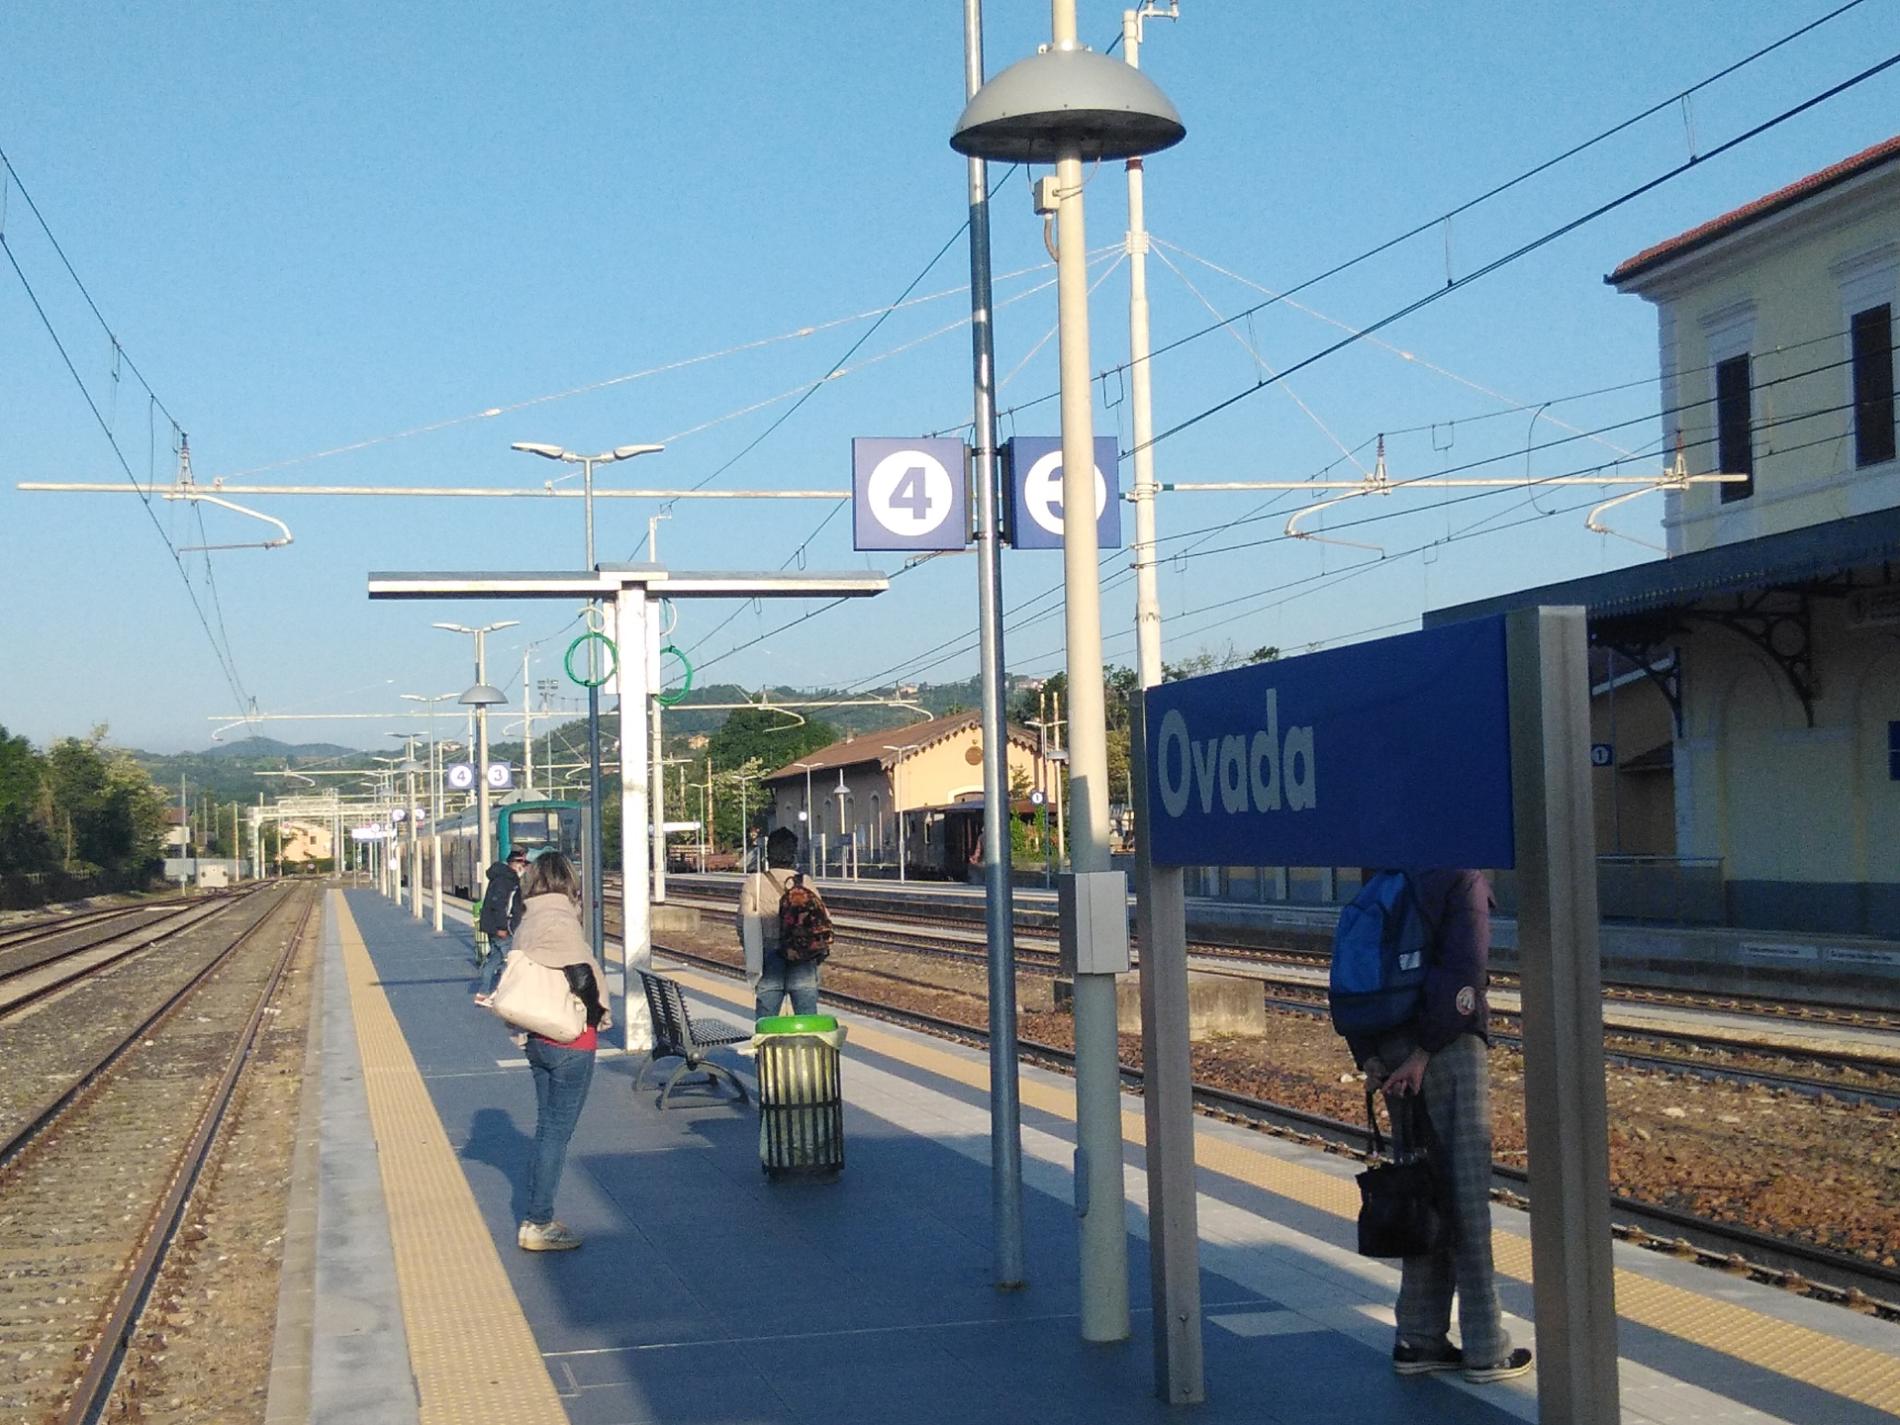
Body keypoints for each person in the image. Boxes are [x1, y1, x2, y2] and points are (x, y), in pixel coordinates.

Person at [1346, 868, 1532, 1384]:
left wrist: (1373, 1055)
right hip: (1444, 1051)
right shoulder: (1462, 870)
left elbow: (1364, 960)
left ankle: (1419, 1335)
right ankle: (1486, 1346)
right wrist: (1427, 1051)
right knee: (1465, 1196)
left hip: (1389, 1046)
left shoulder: (1388, 862)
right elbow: (1464, 971)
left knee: (1421, 1189)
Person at [508, 850, 608, 1251]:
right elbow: (579, 972)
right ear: (568, 880)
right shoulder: (561, 918)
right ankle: (538, 1221)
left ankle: (537, 1214)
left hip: (536, 1037)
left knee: (546, 1127)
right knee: (556, 1134)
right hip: (569, 1039)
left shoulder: (529, 917)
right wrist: (597, 1011)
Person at [739, 826, 823, 1020]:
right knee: (808, 1020)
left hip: (769, 956)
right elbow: (823, 920)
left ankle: (768, 1051)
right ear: (793, 854)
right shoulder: (805, 882)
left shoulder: (754, 882)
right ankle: (807, 1049)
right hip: (802, 957)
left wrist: (752, 953)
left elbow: (743, 924)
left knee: (767, 1023)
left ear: (768, 855)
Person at [474, 845, 528, 1006]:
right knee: (510, 962)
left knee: (494, 959)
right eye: (522, 863)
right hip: (500, 928)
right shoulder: (506, 880)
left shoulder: (501, 877)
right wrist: (502, 927)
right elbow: (499, 904)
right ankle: (501, 994)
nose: (524, 867)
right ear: (514, 863)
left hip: (492, 925)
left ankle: (482, 994)